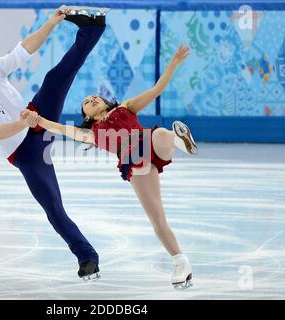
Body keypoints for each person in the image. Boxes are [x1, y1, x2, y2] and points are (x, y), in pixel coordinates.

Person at [0, 6, 107, 280]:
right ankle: (87, 257)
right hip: (25, 154)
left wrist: (53, 22)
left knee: (56, 77)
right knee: (53, 207)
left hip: (36, 116)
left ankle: (93, 29)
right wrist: (23, 123)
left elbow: (23, 50)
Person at [29, 44, 196, 289]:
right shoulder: (92, 133)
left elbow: (157, 89)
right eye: (87, 101)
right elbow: (62, 128)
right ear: (87, 116)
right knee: (157, 218)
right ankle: (181, 263)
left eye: (94, 96)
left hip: (149, 141)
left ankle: (177, 139)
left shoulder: (125, 107)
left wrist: (174, 62)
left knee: (158, 134)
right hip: (135, 163)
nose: (92, 98)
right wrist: (39, 120)